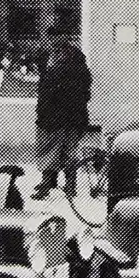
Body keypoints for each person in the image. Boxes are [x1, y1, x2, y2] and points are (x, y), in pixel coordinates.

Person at [32, 37, 92, 199]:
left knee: (49, 150)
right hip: (75, 117)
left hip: (53, 118)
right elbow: (86, 93)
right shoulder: (80, 66)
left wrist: (42, 113)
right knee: (69, 150)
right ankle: (70, 186)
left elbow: (46, 94)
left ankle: (47, 184)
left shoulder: (55, 69)